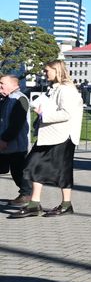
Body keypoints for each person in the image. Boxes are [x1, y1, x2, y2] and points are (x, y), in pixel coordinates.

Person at [11, 60, 83, 218]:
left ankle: (65, 204)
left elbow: (67, 113)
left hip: (62, 136)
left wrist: (44, 114)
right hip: (50, 135)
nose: (45, 73)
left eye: (46, 70)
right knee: (33, 166)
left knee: (60, 170)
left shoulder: (67, 90)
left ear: (57, 71)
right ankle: (35, 203)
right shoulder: (54, 89)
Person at [0, 75, 31, 207]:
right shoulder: (6, 99)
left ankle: (27, 194)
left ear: (14, 85)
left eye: (2, 84)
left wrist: (4, 139)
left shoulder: (20, 98)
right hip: (6, 143)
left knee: (18, 171)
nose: (0, 86)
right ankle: (26, 193)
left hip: (16, 144)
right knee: (15, 170)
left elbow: (17, 123)